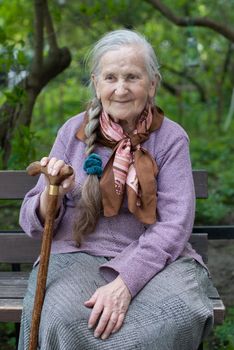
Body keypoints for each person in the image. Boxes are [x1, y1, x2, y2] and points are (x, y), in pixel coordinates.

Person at [18, 29, 214, 350]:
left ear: (152, 84)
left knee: (178, 311)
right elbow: (31, 220)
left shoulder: (171, 138)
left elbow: (174, 224)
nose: (120, 89)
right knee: (60, 318)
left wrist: (126, 281)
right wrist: (54, 191)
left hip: (154, 259)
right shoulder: (73, 131)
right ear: (96, 83)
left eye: (132, 77)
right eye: (110, 77)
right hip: (77, 255)